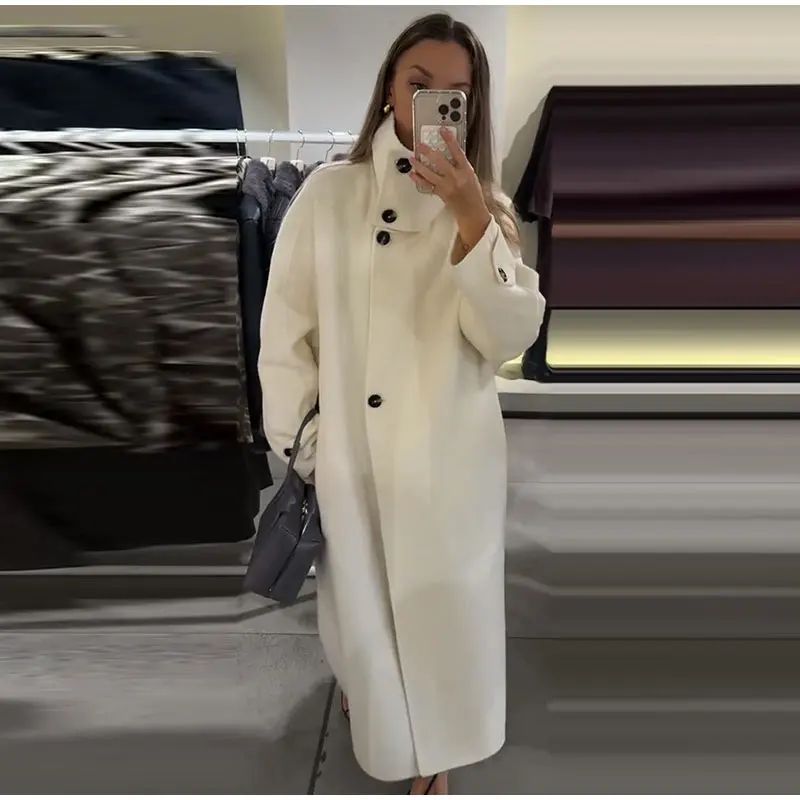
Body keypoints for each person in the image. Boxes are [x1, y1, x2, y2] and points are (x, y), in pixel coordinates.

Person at [258, 12, 546, 795]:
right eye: (420, 83)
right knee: (365, 621)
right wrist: (310, 447)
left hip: (447, 461)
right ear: (390, 87)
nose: (435, 102)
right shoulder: (328, 195)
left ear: (471, 107)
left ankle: (437, 752)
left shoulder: (488, 210)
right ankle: (383, 722)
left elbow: (506, 338)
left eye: (456, 92)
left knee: (445, 618)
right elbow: (284, 337)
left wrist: (472, 221)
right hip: (351, 457)